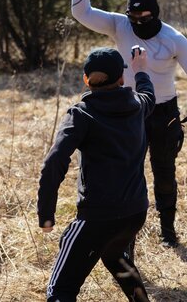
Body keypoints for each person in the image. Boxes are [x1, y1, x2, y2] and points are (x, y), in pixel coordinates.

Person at [69, 0, 187, 247]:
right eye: (132, 17)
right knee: (126, 174)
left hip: (164, 113)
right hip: (130, 111)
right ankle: (124, 235)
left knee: (164, 172)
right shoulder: (120, 25)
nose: (136, 23)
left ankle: (168, 233)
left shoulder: (174, 39)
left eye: (143, 18)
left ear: (155, 14)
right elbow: (82, 13)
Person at [37, 47, 154, 302]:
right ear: (122, 79)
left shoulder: (81, 114)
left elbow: (54, 162)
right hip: (136, 211)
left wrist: (46, 214)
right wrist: (141, 69)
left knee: (60, 291)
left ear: (86, 80)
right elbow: (149, 94)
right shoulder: (138, 105)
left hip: (97, 218)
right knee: (115, 258)